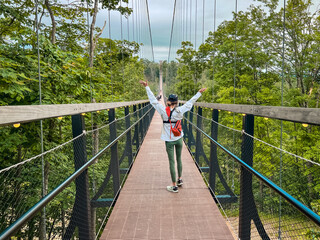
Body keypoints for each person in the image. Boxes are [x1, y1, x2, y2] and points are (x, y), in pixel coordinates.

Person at [139, 80, 206, 193]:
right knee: (179, 159)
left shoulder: (163, 110)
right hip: (179, 138)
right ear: (177, 101)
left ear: (168, 101)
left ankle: (174, 186)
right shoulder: (180, 110)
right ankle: (179, 180)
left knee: (172, 162)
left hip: (168, 140)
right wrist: (199, 93)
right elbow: (190, 102)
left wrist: (147, 87)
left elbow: (153, 101)